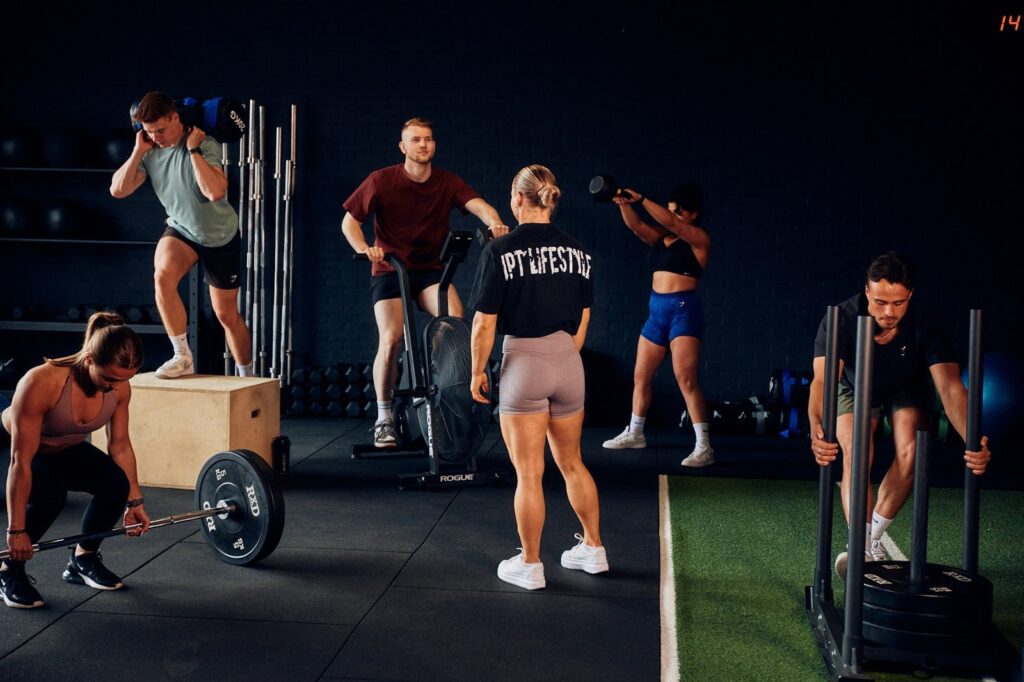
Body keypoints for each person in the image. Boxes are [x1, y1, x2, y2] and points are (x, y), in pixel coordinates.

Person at [808, 252, 992, 576]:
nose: (888, 312)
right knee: (856, 449)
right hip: (852, 383)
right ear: (866, 291)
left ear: (910, 295)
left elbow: (949, 388)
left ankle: (870, 541)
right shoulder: (842, 319)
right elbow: (823, 381)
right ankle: (861, 547)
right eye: (880, 302)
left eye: (897, 303)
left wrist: (974, 441)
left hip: (904, 385)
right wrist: (816, 430)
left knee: (913, 452)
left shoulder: (927, 322)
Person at [468, 164, 606, 590]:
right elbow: (584, 321)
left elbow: (483, 325)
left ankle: (529, 564)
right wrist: (561, 357)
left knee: (529, 473)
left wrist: (476, 372)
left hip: (524, 365)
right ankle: (594, 549)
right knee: (571, 462)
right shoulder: (579, 252)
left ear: (517, 197)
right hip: (568, 363)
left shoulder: (499, 251)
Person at [341, 117, 508, 448]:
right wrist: (366, 249)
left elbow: (480, 207)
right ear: (403, 146)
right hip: (390, 270)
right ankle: (384, 417)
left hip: (431, 272)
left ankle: (448, 394)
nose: (423, 145)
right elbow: (349, 223)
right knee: (391, 339)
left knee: (456, 326)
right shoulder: (381, 180)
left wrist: (496, 223)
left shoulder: (447, 182)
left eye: (428, 139)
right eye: (415, 140)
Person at [1, 313, 151, 609]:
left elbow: (120, 445)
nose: (114, 387)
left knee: (115, 484)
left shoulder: (119, 385)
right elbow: (20, 461)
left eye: (124, 380)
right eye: (109, 379)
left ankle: (83, 558)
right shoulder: (42, 382)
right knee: (51, 495)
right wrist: (16, 532)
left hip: (65, 446)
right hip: (21, 445)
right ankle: (8, 570)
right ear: (90, 360)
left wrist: (135, 502)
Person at [110, 91, 253, 379]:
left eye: (161, 130)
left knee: (226, 315)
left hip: (219, 235)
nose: (156, 137)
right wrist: (138, 150)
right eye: (149, 132)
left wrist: (193, 150)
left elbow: (214, 192)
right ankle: (182, 356)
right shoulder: (149, 151)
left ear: (175, 117)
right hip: (181, 229)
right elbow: (118, 190)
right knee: (162, 276)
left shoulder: (204, 142)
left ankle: (248, 378)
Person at [600, 183, 715, 467]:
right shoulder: (662, 239)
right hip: (656, 312)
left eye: (678, 212)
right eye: (672, 209)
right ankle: (636, 432)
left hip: (683, 311)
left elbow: (670, 221)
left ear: (693, 215)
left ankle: (704, 446)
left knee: (686, 379)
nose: (672, 215)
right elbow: (638, 226)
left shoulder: (699, 240)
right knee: (641, 376)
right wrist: (623, 203)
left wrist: (642, 198)